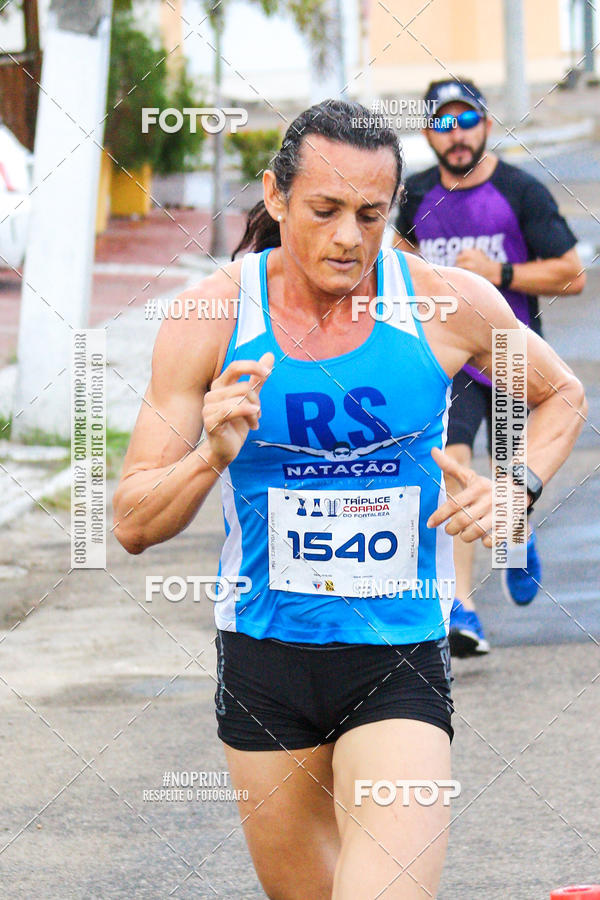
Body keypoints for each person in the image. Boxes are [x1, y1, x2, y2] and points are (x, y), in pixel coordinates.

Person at [113, 101, 586, 899]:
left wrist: (517, 488)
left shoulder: (445, 301)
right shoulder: (213, 314)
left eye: (371, 214)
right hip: (265, 661)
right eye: (324, 211)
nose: (347, 238)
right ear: (275, 198)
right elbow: (130, 523)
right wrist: (209, 457)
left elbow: (561, 394)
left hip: (397, 652)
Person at [394, 77, 586, 658]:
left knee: (506, 476)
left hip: (507, 358)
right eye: (443, 123)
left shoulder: (520, 192)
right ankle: (461, 608)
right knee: (449, 463)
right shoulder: (414, 196)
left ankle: (518, 532)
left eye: (467, 120)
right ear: (428, 130)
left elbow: (571, 273)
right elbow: (397, 268)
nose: (457, 136)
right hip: (448, 359)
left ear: (486, 124)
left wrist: (497, 276)